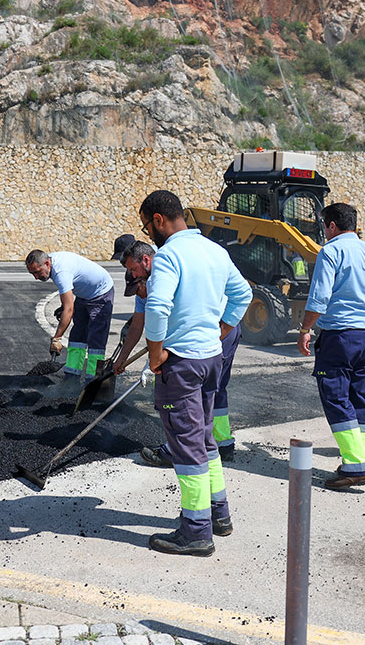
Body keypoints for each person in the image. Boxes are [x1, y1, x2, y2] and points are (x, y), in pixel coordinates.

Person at [139, 190, 253, 556]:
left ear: (158, 220)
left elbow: (157, 306)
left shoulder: (170, 255)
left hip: (182, 365)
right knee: (206, 442)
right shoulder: (215, 250)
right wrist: (220, 330)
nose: (148, 233)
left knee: (186, 447)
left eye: (146, 226)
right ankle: (219, 515)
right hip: (210, 361)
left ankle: (196, 531)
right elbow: (243, 295)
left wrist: (155, 354)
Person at [297, 202, 365, 490]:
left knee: (335, 397)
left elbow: (319, 299)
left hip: (339, 338)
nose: (324, 231)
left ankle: (357, 467)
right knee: (360, 398)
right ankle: (354, 460)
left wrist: (305, 329)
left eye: (324, 225)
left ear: (332, 226)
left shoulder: (330, 252)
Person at [114, 239, 242, 466]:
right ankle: (209, 445)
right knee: (205, 390)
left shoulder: (164, 277)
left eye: (135, 275)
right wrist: (121, 360)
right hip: (201, 333)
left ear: (146, 263)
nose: (138, 292)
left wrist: (154, 359)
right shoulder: (145, 288)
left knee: (201, 390)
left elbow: (171, 319)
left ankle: (188, 448)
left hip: (220, 327)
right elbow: (138, 326)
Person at [25, 249, 115, 380]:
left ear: (47, 263)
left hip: (101, 293)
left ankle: (93, 378)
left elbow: (69, 310)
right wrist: (64, 306)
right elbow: (67, 301)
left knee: (96, 338)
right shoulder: (51, 264)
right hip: (84, 294)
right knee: (78, 334)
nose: (36, 277)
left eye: (37, 272)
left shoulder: (61, 273)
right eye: (32, 273)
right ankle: (72, 375)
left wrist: (57, 337)